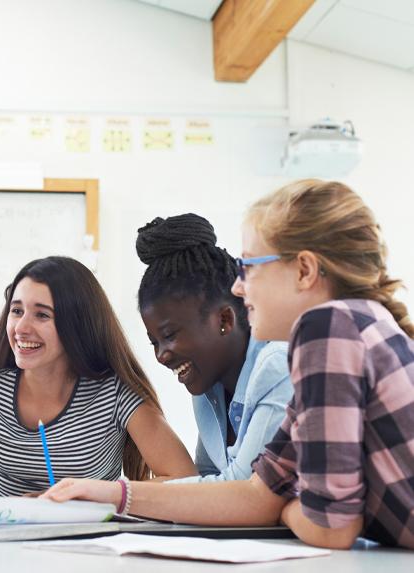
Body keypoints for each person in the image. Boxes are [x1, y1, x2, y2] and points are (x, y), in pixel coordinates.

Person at [42, 180, 414, 550]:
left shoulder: (327, 328)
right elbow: (256, 495)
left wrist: (284, 509)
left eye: (249, 266)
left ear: (304, 271)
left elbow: (330, 528)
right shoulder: (346, 329)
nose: (238, 287)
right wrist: (111, 494)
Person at [0, 256, 197, 496]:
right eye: (16, 311)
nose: (21, 328)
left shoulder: (114, 392)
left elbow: (184, 482)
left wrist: (89, 496)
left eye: (41, 315)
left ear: (77, 324)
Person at [135, 213, 291, 483]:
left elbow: (243, 489)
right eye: (154, 342)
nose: (161, 355)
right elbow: (207, 476)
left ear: (224, 320)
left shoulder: (279, 365)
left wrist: (123, 495)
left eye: (169, 335)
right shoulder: (207, 388)